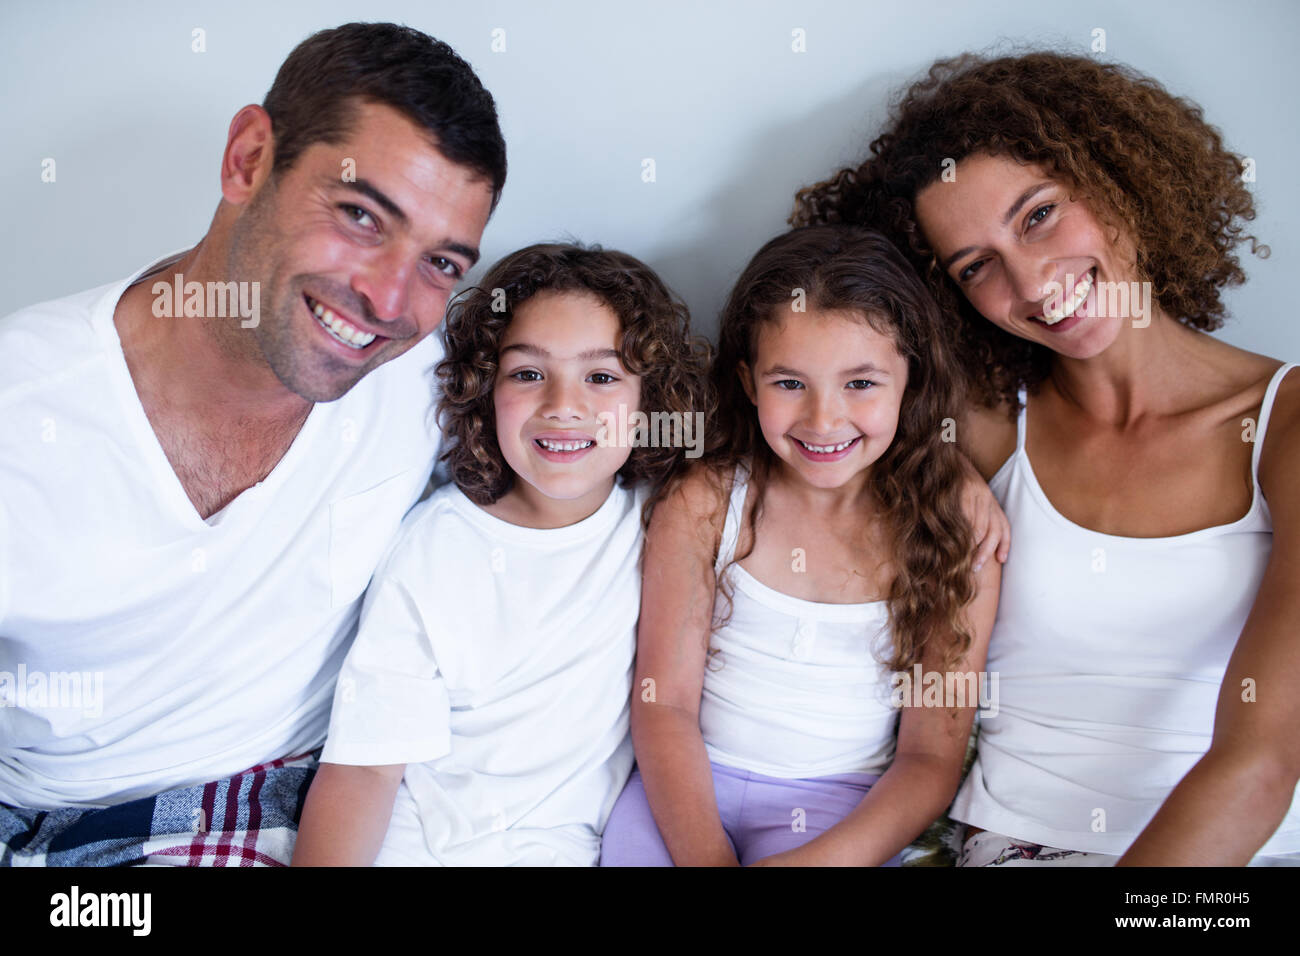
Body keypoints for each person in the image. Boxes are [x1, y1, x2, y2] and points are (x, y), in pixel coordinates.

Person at [0, 22, 506, 866]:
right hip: (47, 818)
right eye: (359, 215)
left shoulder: (429, 384)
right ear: (248, 160)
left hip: (287, 801)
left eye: (442, 264)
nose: (388, 300)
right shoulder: (24, 414)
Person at [792, 50, 1300, 866]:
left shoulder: (1284, 425)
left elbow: (1263, 760)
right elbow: (800, 358)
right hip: (1013, 846)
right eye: (976, 266)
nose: (1031, 283)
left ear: (1119, 176)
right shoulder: (982, 427)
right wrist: (934, 459)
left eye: (1038, 216)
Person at [291, 242, 711, 866]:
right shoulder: (434, 549)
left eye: (601, 377)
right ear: (486, 392)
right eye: (528, 374)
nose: (564, 406)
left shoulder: (669, 521)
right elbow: (365, 772)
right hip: (427, 849)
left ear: (648, 401)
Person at [599, 225, 1001, 866]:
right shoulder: (706, 502)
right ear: (749, 381)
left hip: (842, 816)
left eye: (860, 384)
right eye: (789, 384)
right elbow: (664, 704)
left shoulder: (953, 536)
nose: (823, 420)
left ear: (911, 381)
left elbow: (931, 758)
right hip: (682, 792)